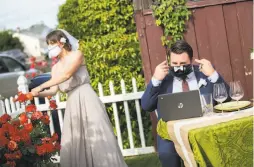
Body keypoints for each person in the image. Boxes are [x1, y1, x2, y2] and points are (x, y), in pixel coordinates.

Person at [30, 29, 128, 167]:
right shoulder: (55, 67)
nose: (49, 48)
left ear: (61, 43)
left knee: (98, 134)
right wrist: (36, 94)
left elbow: (66, 75)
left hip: (87, 98)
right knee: (77, 139)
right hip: (72, 103)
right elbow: (53, 91)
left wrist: (40, 87)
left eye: (51, 44)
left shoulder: (77, 55)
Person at [141, 40, 230, 167]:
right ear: (169, 61)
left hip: (203, 128)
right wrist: (155, 80)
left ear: (191, 60)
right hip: (171, 133)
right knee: (167, 154)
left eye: (183, 63)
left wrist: (213, 74)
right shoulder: (163, 79)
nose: (179, 67)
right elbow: (146, 106)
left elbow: (226, 99)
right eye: (175, 63)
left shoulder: (203, 74)